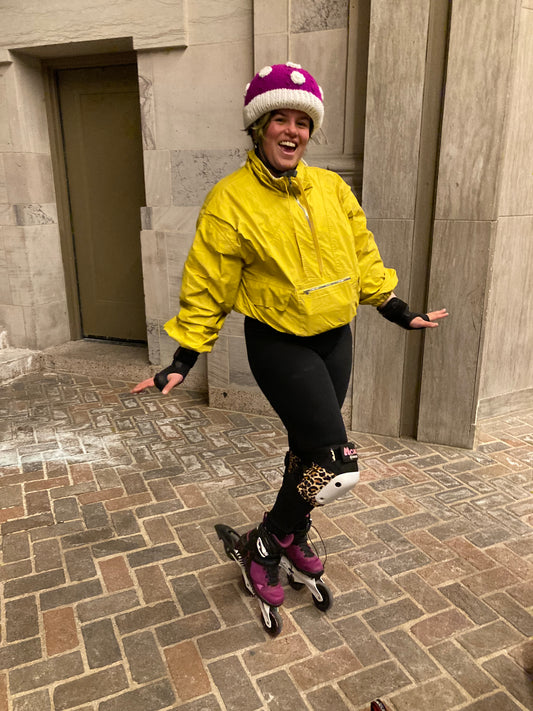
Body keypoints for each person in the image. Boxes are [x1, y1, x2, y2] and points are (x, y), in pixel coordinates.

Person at [132, 62, 448, 608]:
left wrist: (395, 307)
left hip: (335, 338)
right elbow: (209, 283)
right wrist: (184, 357)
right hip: (279, 343)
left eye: (302, 122)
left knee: (308, 451)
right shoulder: (230, 199)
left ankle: (289, 534)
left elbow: (361, 253)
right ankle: (267, 543)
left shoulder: (329, 188)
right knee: (335, 461)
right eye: (280, 118)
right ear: (259, 127)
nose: (292, 131)